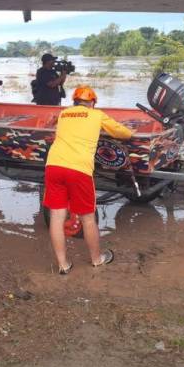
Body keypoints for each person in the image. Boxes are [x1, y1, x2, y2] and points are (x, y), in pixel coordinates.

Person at [43, 86, 134, 274]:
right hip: (78, 169)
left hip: (53, 167)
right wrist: (130, 131)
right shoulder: (96, 115)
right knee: (88, 218)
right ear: (92, 102)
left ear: (74, 102)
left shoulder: (64, 114)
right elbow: (124, 133)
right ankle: (97, 259)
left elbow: (51, 127)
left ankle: (63, 265)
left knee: (56, 217)